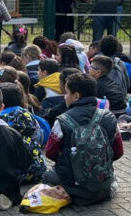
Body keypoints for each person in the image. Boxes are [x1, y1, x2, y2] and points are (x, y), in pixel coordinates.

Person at [43, 72, 123, 205]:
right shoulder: (109, 117)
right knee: (112, 176)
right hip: (101, 179)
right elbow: (118, 151)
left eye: (66, 93)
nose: (64, 97)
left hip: (71, 182)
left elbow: (50, 153)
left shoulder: (62, 120)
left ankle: (70, 194)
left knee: (47, 176)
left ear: (76, 96)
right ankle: (104, 190)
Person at [0, 82, 47, 185]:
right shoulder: (28, 114)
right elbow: (39, 137)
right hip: (38, 169)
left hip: (16, 174)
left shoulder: (1, 118)